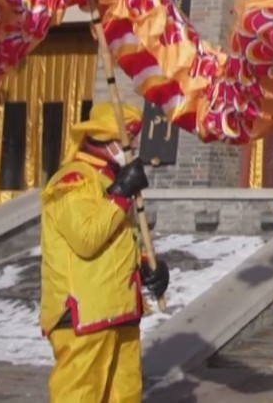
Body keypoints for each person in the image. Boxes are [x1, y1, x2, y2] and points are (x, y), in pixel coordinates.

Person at [40, 103, 168, 403]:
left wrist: (148, 268)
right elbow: (86, 237)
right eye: (130, 137)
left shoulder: (111, 181)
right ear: (108, 139)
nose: (134, 144)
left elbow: (118, 244)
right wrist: (119, 196)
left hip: (121, 312)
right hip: (85, 316)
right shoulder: (73, 180)